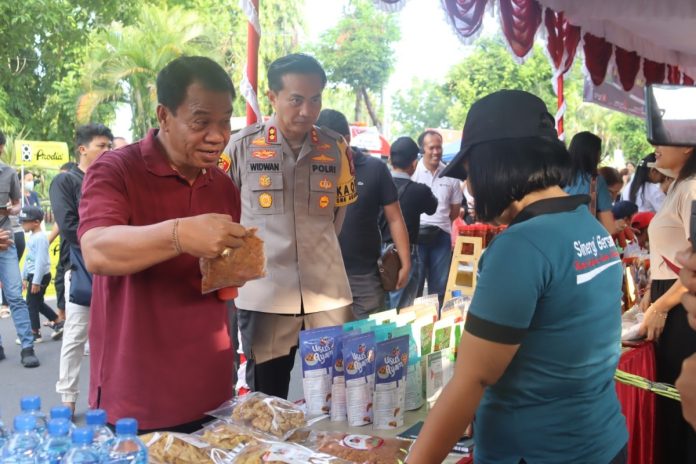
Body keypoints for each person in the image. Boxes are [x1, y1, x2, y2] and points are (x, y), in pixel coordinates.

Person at [406, 90, 627, 464]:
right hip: (603, 440)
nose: (469, 187)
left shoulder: (521, 246)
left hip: (536, 451)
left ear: (497, 162)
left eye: (470, 172)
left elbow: (471, 380)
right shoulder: (589, 229)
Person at [77, 56, 244, 432]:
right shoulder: (117, 169)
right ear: (164, 116)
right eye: (201, 122)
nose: (217, 136)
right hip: (136, 397)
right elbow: (97, 250)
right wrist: (180, 235)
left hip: (212, 392)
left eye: (224, 122)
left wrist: (237, 266)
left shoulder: (222, 185)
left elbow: (220, 282)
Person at [225, 53, 357, 399]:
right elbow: (223, 213)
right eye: (296, 99)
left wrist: (321, 249)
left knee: (338, 397)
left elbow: (339, 211)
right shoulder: (241, 147)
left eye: (315, 100)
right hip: (266, 294)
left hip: (327, 294)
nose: (306, 111)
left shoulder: (335, 147)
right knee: (268, 400)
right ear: (272, 97)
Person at [316, 109, 410, 318]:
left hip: (365, 276)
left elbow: (394, 217)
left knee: (366, 344)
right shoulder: (311, 169)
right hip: (321, 277)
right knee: (326, 346)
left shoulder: (375, 169)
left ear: (346, 140)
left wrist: (405, 261)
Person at [51, 123, 113, 413]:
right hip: (81, 270)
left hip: (114, 267)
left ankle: (107, 395)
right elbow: (68, 227)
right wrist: (106, 242)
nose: (108, 151)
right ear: (82, 149)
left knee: (112, 337)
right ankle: (68, 398)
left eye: (110, 146)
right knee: (75, 337)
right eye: (102, 145)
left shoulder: (112, 179)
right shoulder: (65, 182)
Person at [640, 142, 696, 462]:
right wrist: (651, 296)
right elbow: (669, 255)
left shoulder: (691, 188)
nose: (654, 148)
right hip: (669, 298)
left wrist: (662, 305)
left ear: (687, 146)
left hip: (680, 308)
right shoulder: (678, 186)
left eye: (662, 140)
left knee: (682, 403)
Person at [382, 136, 437, 309]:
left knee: (379, 309)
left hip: (374, 253)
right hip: (403, 255)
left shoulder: (377, 185)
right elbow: (432, 208)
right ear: (414, 163)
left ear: (390, 159)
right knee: (401, 309)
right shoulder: (420, 191)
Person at [0, 130, 40, 367]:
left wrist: (12, 210)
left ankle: (27, 346)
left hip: (6, 239)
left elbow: (17, 205)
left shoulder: (9, 173)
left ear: (2, 148)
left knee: (15, 295)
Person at [413, 130, 463, 304]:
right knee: (415, 286)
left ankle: (437, 323)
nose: (436, 152)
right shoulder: (413, 172)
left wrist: (441, 223)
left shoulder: (451, 174)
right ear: (422, 149)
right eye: (431, 147)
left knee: (439, 287)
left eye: (439, 147)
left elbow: (455, 210)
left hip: (441, 235)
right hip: (415, 236)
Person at [19, 205, 60, 342]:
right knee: (38, 303)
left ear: (36, 222)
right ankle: (58, 322)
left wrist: (36, 281)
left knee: (31, 303)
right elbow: (28, 259)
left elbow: (41, 262)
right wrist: (24, 277)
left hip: (40, 276)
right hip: (33, 275)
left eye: (24, 221)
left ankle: (35, 333)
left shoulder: (41, 239)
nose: (22, 224)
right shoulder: (32, 237)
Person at [564, 131, 618, 233]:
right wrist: (618, 225)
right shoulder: (596, 181)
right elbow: (609, 228)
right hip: (582, 240)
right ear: (594, 155)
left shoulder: (556, 178)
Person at [49, 161, 76, 323]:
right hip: (66, 249)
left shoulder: (70, 185)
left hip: (73, 252)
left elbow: (63, 221)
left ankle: (65, 318)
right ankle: (61, 317)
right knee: (60, 281)